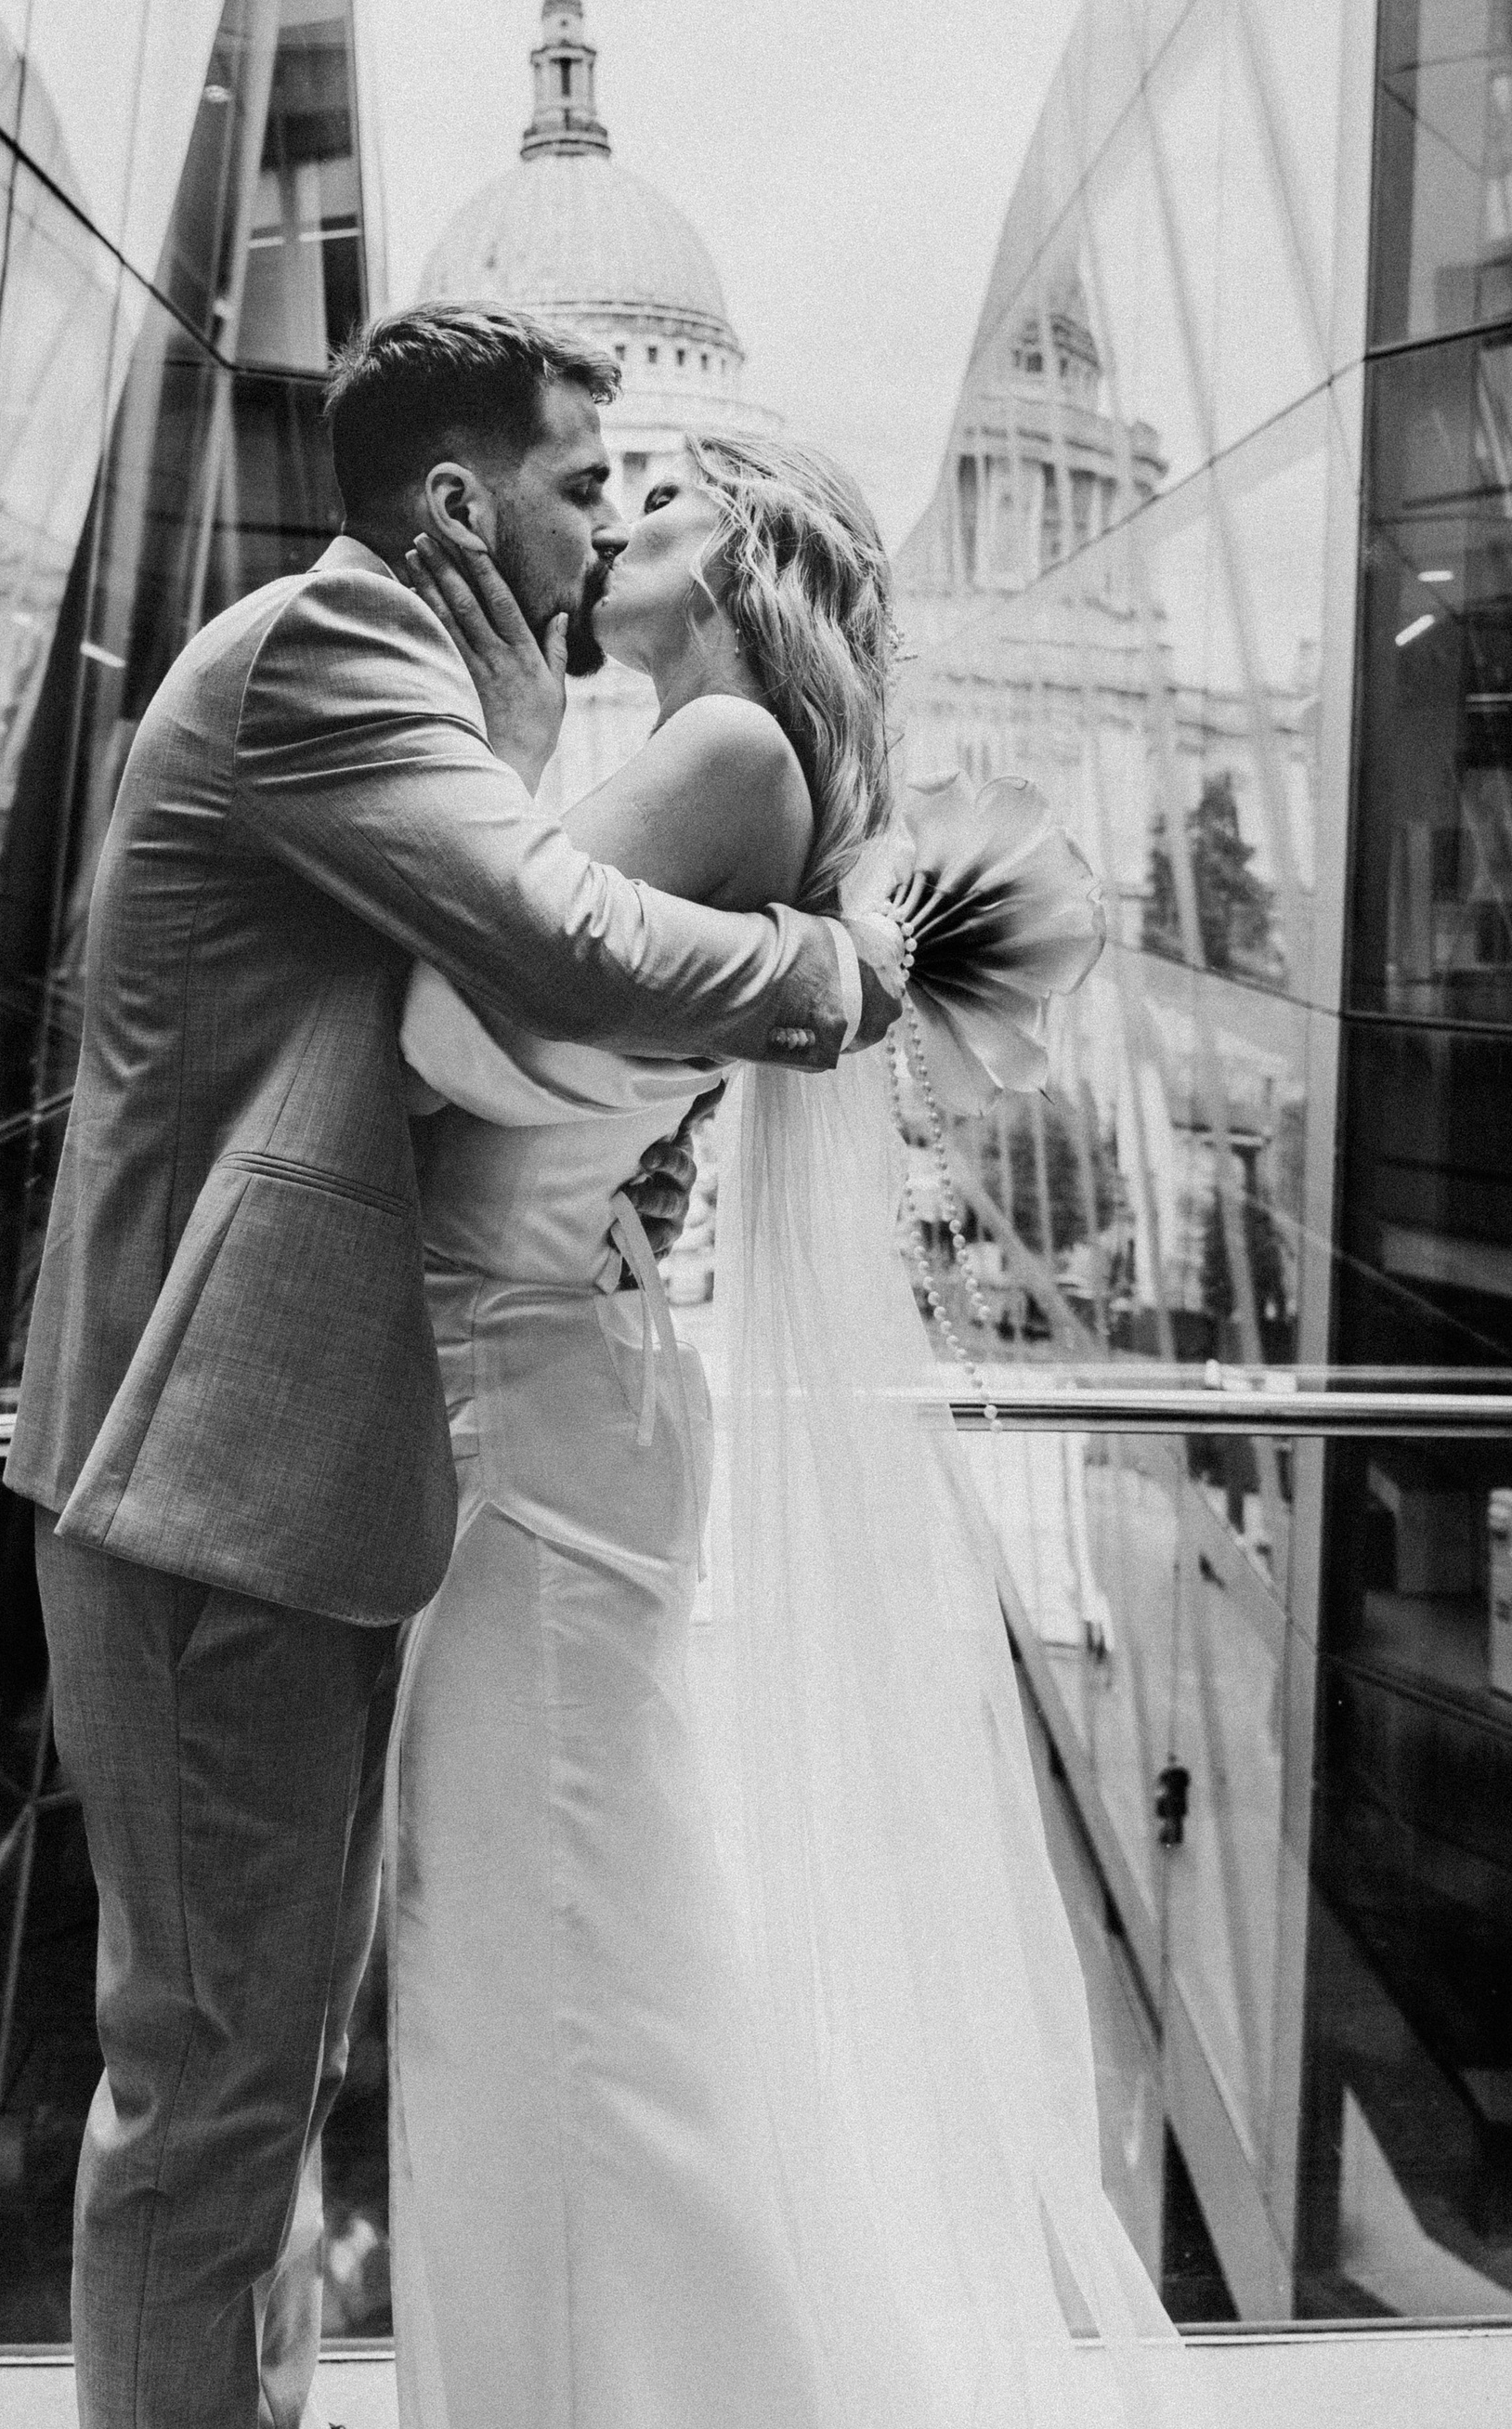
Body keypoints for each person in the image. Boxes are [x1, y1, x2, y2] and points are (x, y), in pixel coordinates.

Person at [3, 306, 906, 2429]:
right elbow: (541, 950)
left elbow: (481, 1006)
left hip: (328, 1455)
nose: (608, 522)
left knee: (276, 2064)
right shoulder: (339, 651)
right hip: (212, 1452)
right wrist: (844, 974)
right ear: (456, 504)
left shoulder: (527, 718)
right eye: (586, 485)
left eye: (643, 492)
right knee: (221, 2089)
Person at [390, 434, 1187, 2428]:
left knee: (555, 1987)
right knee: (556, 1968)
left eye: (655, 499)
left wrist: (486, 762)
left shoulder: (727, 747)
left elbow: (442, 1016)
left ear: (746, 552)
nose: (612, 524)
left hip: (535, 1421)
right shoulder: (722, 767)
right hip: (555, 1392)